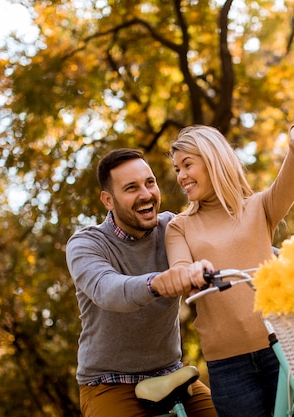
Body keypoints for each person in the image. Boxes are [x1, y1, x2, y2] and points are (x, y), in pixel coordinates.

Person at [164, 107, 294, 417]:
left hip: (283, 350)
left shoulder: (258, 207)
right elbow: (179, 269)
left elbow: (287, 181)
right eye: (176, 169)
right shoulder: (180, 227)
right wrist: (190, 272)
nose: (181, 176)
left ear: (212, 160)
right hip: (229, 366)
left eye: (187, 165)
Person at [65, 148, 218, 417]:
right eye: (131, 188)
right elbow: (107, 290)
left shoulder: (173, 228)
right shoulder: (86, 244)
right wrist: (159, 282)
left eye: (150, 183)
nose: (146, 195)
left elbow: (225, 247)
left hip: (172, 373)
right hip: (109, 383)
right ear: (108, 200)